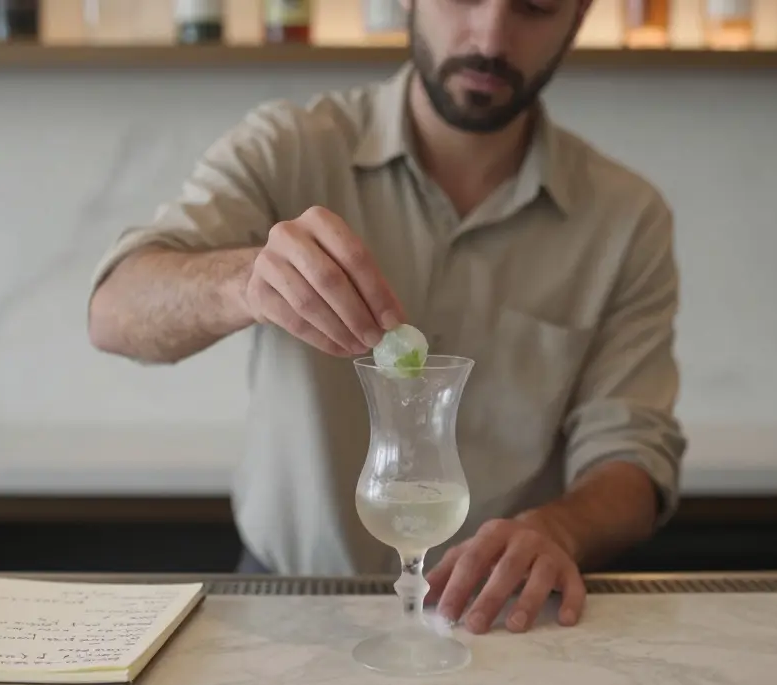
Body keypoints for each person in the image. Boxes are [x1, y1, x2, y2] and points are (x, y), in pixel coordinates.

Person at [87, 0, 686, 635]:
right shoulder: (288, 147)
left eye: (534, 6)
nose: (491, 38)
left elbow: (634, 455)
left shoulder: (625, 218)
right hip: (285, 605)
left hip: (493, 615)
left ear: (580, 15)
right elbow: (113, 311)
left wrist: (560, 528)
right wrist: (244, 281)